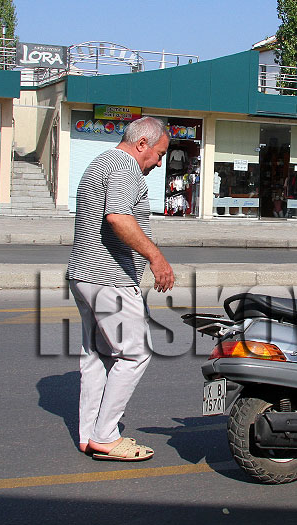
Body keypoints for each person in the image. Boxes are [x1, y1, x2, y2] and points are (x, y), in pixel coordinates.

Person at [66, 116, 174, 462]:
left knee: (98, 356)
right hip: (108, 277)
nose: (159, 163)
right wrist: (157, 259)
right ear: (142, 143)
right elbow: (118, 217)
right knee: (135, 353)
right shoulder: (125, 166)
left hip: (84, 274)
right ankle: (106, 435)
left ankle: (89, 434)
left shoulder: (99, 162)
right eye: (159, 154)